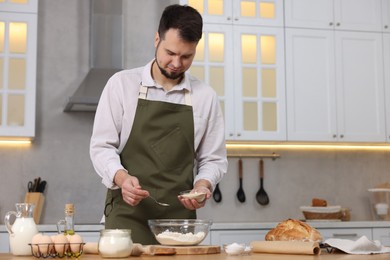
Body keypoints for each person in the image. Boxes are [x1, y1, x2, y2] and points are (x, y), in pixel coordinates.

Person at [90, 4, 227, 244]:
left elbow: (213, 159)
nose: (177, 63)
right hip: (126, 220)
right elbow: (101, 147)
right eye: (170, 53)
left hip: (179, 224)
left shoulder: (206, 96)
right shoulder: (122, 85)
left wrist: (203, 185)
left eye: (187, 56)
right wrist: (122, 178)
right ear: (156, 39)